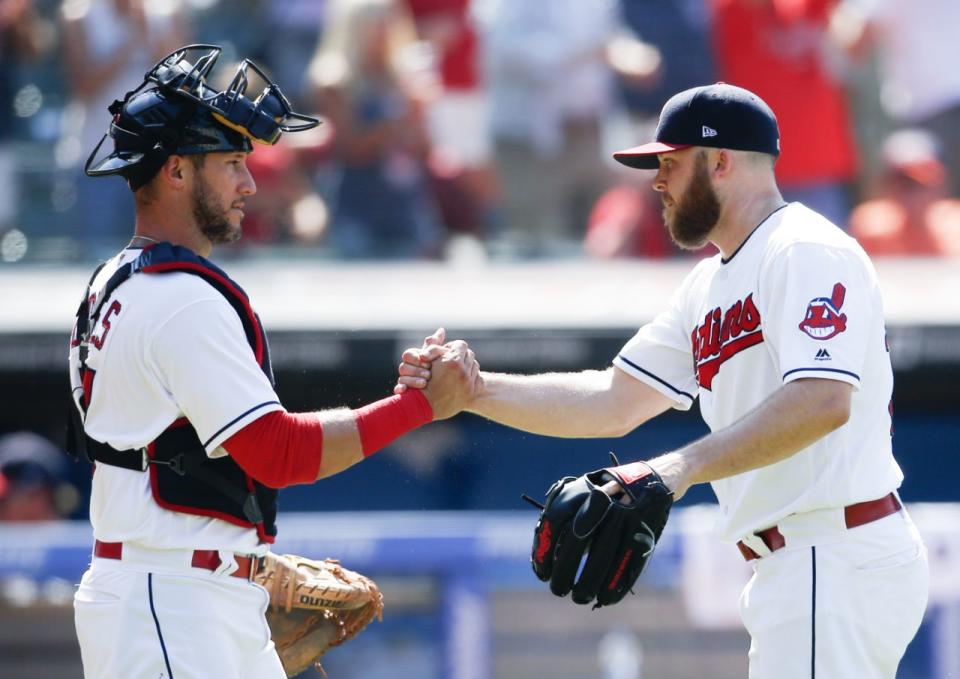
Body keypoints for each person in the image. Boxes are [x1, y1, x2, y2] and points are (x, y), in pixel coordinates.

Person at [400, 83, 929, 677]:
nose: (656, 181)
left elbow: (823, 400)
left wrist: (674, 470)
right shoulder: (709, 284)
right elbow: (615, 398)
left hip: (833, 552)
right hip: (801, 562)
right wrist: (477, 391)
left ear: (721, 161)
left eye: (670, 163)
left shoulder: (803, 249)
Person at [68, 44, 480, 679]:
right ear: (176, 170)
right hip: (171, 602)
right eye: (232, 162)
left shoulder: (117, 282)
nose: (250, 182)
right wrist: (420, 406)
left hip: (175, 587)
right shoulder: (178, 298)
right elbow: (278, 452)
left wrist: (241, 560)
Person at [848, 128, 960, 257]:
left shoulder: (956, 225)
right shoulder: (869, 227)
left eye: (919, 183)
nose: (911, 194)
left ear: (941, 184)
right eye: (901, 182)